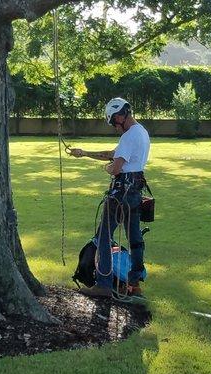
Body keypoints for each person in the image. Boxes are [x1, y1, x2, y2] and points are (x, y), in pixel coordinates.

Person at [70, 98, 150, 298]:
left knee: (104, 237)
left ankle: (104, 284)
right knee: (135, 238)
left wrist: (108, 169)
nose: (115, 127)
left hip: (121, 193)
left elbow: (115, 166)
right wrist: (84, 153)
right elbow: (112, 154)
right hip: (135, 191)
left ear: (121, 115)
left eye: (114, 122)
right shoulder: (141, 132)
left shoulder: (129, 136)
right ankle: (134, 284)